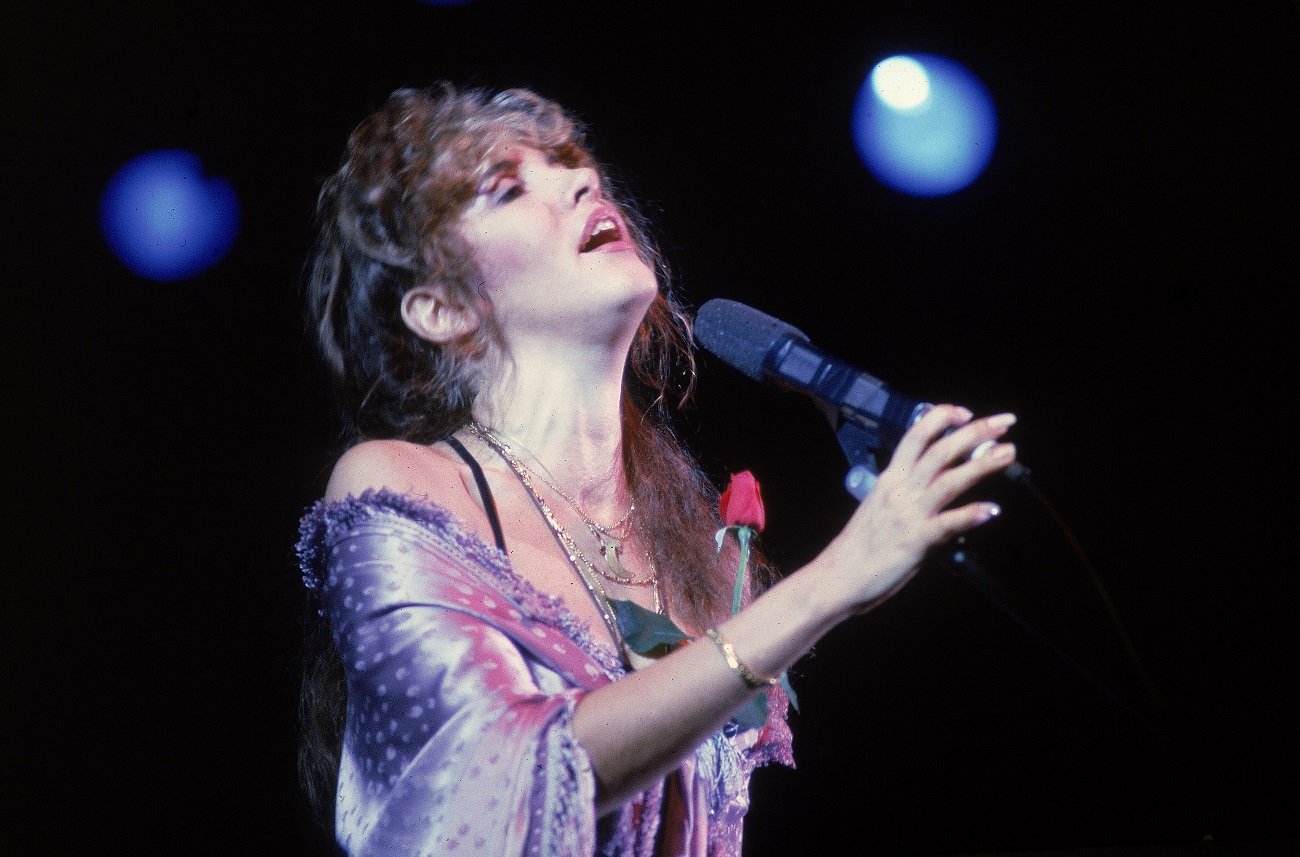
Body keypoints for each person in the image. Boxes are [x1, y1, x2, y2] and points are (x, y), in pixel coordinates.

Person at [295, 83, 1018, 857]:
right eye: (507, 189)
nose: (580, 182)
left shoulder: (686, 537)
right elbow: (483, 775)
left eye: (573, 165)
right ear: (441, 310)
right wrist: (836, 578)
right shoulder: (401, 486)